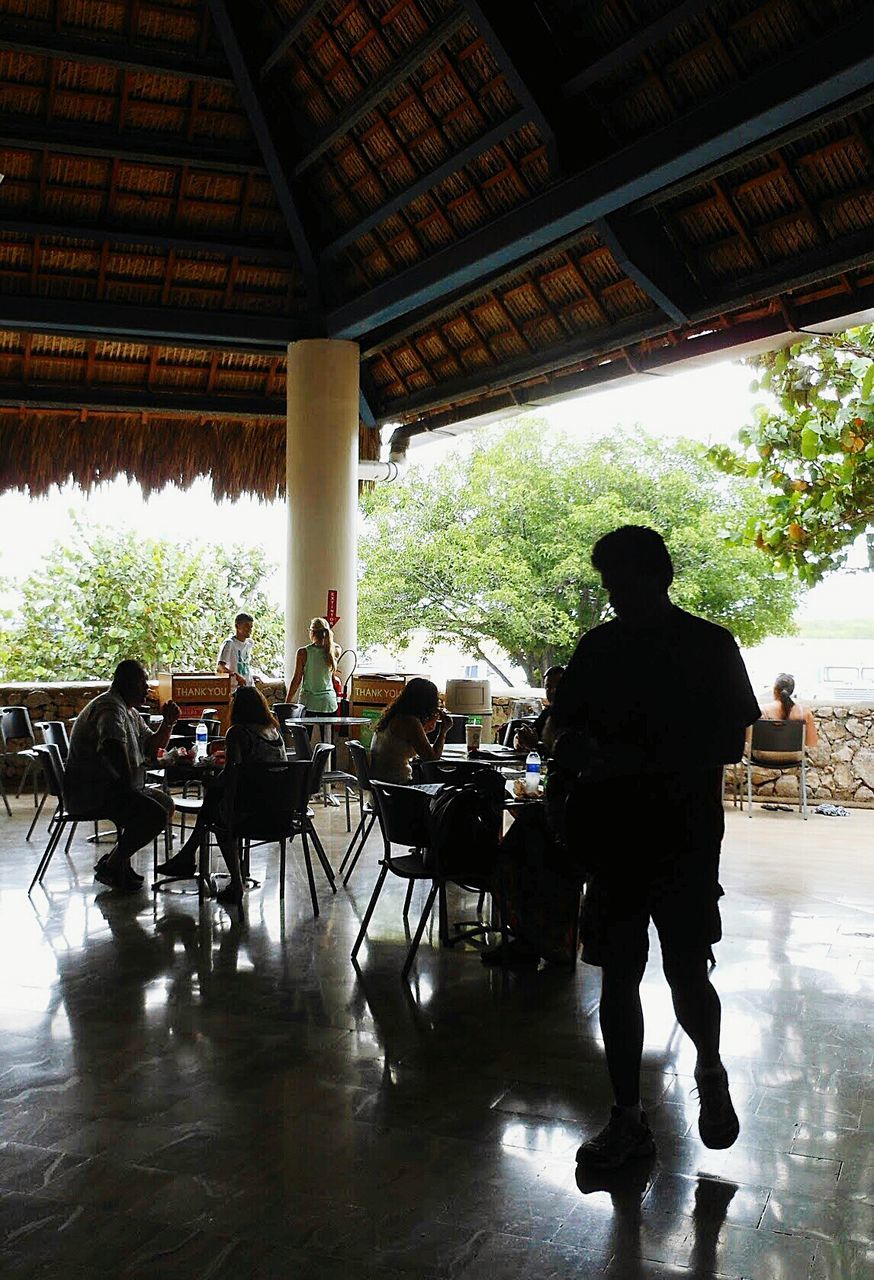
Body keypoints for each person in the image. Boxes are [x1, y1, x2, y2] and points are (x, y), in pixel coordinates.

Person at [546, 526, 760, 1170]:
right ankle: (632, 1111)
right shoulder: (696, 645)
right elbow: (566, 728)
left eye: (619, 580)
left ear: (655, 577)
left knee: (674, 973)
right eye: (608, 583)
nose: (612, 594)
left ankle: (699, 1077)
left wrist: (622, 761)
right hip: (656, 840)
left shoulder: (692, 645)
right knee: (635, 975)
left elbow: (727, 743)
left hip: (669, 840)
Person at [156, 686, 286, 907]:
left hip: (251, 811)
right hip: (278, 808)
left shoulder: (238, 733)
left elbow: (232, 775)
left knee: (218, 813)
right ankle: (187, 856)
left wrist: (214, 782)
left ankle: (234, 882)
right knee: (214, 799)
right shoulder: (274, 731)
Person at [65, 660, 180, 892]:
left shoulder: (129, 711)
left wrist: (168, 723)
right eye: (143, 682)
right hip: (94, 792)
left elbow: (150, 746)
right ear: (126, 683)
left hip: (116, 788)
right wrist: (132, 791)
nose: (147, 687)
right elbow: (112, 749)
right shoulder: (110, 709)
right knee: (154, 814)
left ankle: (115, 862)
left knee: (166, 804)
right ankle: (113, 865)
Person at [369, 678, 452, 784]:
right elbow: (432, 760)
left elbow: (404, 745)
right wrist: (443, 731)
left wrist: (425, 729)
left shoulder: (395, 716)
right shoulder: (410, 721)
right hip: (396, 786)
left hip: (380, 784)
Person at [287, 617, 340, 714]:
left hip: (308, 702)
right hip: (328, 702)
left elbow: (297, 679)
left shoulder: (303, 652)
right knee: (328, 730)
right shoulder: (335, 650)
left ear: (312, 632)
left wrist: (287, 701)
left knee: (304, 729)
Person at [759, 672, 818, 748]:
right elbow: (812, 743)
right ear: (791, 691)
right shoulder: (804, 712)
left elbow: (749, 739)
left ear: (774, 690)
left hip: (763, 757)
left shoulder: (762, 710)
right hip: (794, 757)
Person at [514, 665, 565, 750]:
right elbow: (529, 732)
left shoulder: (579, 717)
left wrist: (536, 745)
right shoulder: (548, 713)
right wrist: (520, 738)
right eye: (548, 687)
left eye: (558, 686)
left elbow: (566, 755)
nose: (552, 691)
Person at [217, 613, 255, 687]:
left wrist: (250, 676)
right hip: (235, 689)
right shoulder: (229, 643)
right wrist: (236, 676)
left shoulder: (249, 643)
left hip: (249, 686)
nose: (250, 630)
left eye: (251, 627)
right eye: (246, 626)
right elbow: (220, 668)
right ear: (237, 626)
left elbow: (244, 665)